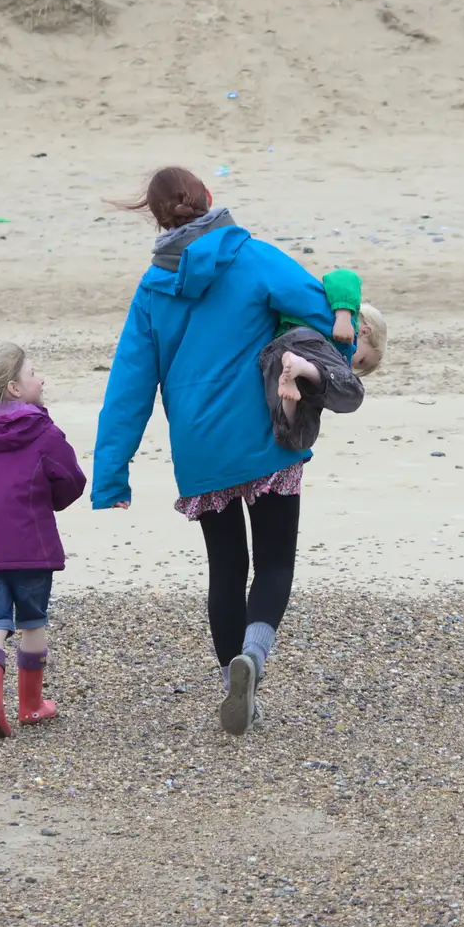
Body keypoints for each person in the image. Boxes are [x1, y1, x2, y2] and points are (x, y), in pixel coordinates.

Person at [91, 166, 341, 736]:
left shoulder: (153, 287)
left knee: (226, 568)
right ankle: (252, 656)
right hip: (265, 439)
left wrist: (111, 473)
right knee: (275, 562)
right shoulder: (249, 256)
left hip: (199, 452)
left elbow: (129, 385)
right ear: (209, 199)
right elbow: (320, 308)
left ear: (156, 219)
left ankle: (235, 688)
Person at [0, 344, 87, 740]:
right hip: (32, 548)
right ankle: (30, 706)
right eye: (33, 374)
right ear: (14, 388)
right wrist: (49, 502)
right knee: (32, 623)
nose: (40, 379)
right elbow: (72, 481)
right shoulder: (44, 432)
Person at [261, 268, 388, 451]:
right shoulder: (344, 324)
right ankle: (304, 367)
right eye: (361, 361)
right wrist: (344, 316)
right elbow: (343, 276)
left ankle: (290, 401)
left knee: (300, 439)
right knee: (353, 393)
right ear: (365, 332)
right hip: (305, 341)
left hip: (277, 356)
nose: (351, 364)